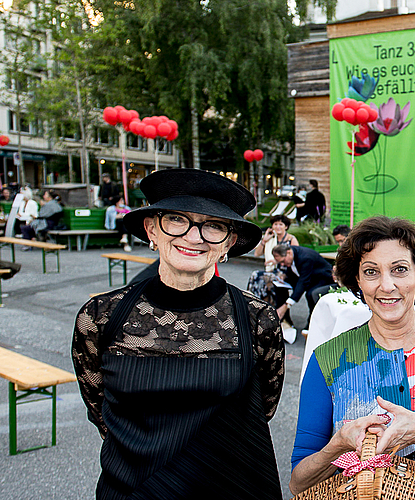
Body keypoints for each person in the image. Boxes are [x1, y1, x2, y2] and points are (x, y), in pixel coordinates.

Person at [72, 169, 285, 500]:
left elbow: (264, 407)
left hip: (232, 487)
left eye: (213, 225)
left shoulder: (258, 319)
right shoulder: (100, 318)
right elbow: (101, 410)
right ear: (151, 229)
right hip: (133, 490)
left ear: (229, 242)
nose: (193, 236)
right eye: (176, 219)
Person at [289, 216, 415, 499]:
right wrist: (338, 445)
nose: (386, 286)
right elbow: (299, 483)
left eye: (400, 269)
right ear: (358, 281)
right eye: (371, 272)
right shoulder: (327, 360)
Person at [247, 214, 299, 333]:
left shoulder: (291, 239)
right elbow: (257, 254)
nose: (278, 226)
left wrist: (277, 261)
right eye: (275, 224)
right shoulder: (270, 238)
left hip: (286, 272)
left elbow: (295, 258)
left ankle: (268, 311)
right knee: (255, 275)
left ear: (286, 226)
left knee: (267, 279)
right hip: (272, 271)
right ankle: (255, 307)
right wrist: (264, 241)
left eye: (281, 224)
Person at [272, 243, 334, 332]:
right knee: (280, 287)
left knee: (311, 294)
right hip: (308, 276)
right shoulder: (291, 253)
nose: (282, 264)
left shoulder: (305, 258)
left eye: (283, 261)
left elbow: (303, 281)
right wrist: (284, 276)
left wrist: (287, 304)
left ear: (288, 253)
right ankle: (283, 320)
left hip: (322, 278)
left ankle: (312, 324)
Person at [309, 224, 351, 309]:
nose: (340, 244)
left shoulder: (357, 251)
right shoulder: (341, 252)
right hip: (341, 284)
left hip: (351, 286)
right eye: (338, 242)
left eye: (342, 241)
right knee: (315, 293)